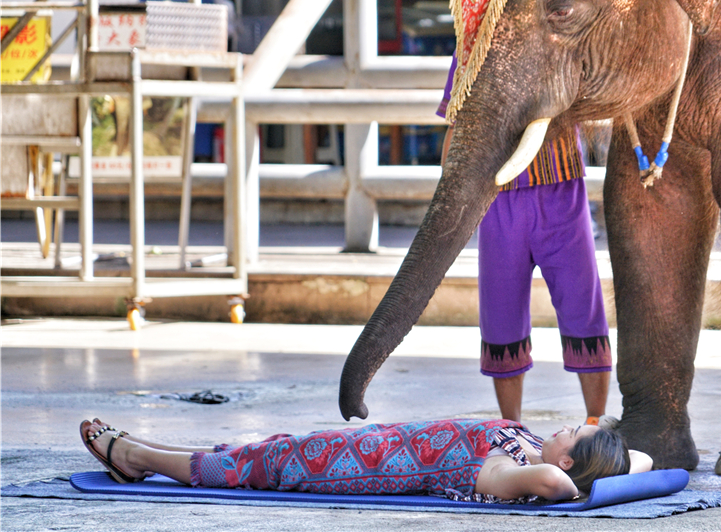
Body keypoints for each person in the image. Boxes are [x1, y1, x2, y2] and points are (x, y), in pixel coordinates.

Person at [438, 55, 612, 424]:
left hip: (562, 187)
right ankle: (512, 426)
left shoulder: (567, 39)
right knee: (501, 314)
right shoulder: (472, 45)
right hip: (497, 194)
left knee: (583, 305)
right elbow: (457, 123)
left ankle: (595, 424)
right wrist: (452, 194)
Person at [80, 418, 652, 503]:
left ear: (570, 462)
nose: (563, 427)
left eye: (572, 434)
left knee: (253, 469)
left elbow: (555, 485)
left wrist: (589, 482)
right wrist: (613, 462)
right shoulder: (526, 444)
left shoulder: (515, 474)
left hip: (351, 467)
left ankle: (133, 456)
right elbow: (643, 460)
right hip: (374, 441)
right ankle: (146, 453)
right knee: (258, 451)